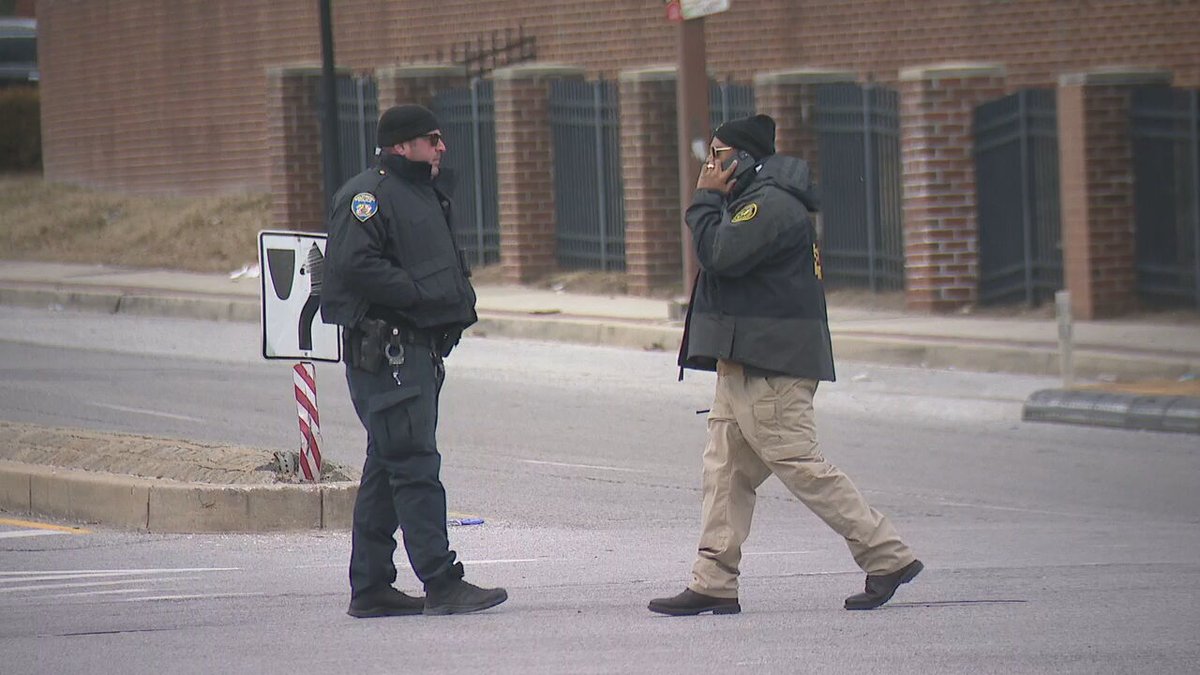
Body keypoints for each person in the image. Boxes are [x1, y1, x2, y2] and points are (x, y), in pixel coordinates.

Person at [648, 114, 922, 616]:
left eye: (719, 156)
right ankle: (713, 582)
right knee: (725, 472)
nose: (709, 166)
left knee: (799, 464)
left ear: (747, 159)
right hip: (744, 360)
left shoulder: (768, 205)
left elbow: (720, 254)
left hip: (769, 363)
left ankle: (887, 554)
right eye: (707, 155)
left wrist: (705, 199)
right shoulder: (753, 200)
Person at [321, 104, 507, 617]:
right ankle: (442, 582)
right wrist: (419, 296)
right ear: (401, 145)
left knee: (388, 464)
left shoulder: (422, 192)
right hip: (389, 353)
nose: (441, 147)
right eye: (432, 139)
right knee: (415, 464)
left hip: (419, 351)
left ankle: (371, 587)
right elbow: (355, 265)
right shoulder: (367, 196)